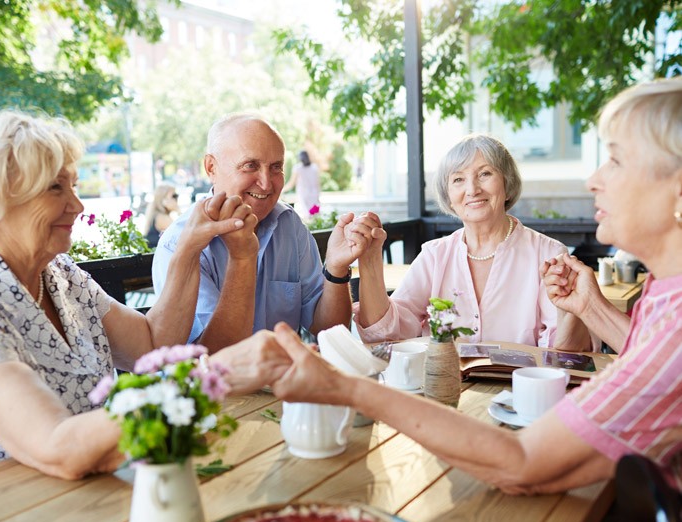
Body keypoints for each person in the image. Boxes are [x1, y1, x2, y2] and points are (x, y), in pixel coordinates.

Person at [265, 77, 682, 494]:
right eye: (459, 180)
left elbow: (525, 461)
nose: (592, 179)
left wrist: (346, 387)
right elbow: (389, 333)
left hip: (517, 427)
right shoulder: (661, 296)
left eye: (616, 160)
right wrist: (590, 308)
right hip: (458, 410)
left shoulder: (658, 316)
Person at [0, 110, 289, 494]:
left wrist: (190, 245)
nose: (78, 205)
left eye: (73, 186)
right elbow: (59, 447)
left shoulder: (57, 274)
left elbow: (152, 345)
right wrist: (213, 375)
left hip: (82, 495)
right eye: (55, 188)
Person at [152, 113, 374, 353]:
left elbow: (329, 330)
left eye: (276, 167)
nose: (266, 184)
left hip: (283, 375)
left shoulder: (288, 224)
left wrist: (336, 270)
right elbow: (213, 358)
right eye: (250, 165)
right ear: (211, 168)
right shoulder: (179, 244)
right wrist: (242, 258)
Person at [351, 133, 590, 350]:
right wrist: (370, 260)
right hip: (445, 381)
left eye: (485, 174)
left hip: (519, 382)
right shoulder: (435, 255)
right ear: (449, 198)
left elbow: (564, 352)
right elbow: (387, 334)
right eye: (458, 179)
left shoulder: (548, 253)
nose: (472, 189)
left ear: (507, 185)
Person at [282, 149, 321, 218]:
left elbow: (291, 184)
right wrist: (318, 196)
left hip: (303, 195)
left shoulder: (297, 168)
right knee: (314, 216)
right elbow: (317, 183)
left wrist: (282, 190)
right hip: (314, 194)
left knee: (306, 216)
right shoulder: (314, 167)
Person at [143, 184, 181, 248]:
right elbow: (181, 233)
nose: (176, 199)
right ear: (163, 199)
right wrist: (178, 210)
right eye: (174, 196)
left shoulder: (157, 215)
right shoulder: (161, 217)